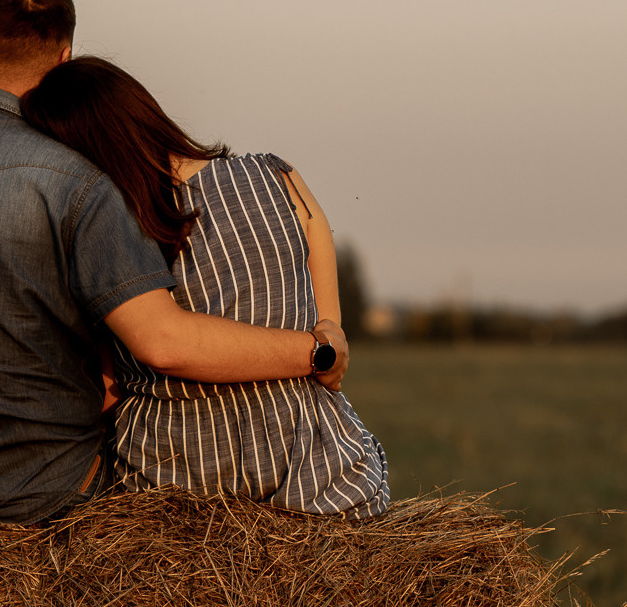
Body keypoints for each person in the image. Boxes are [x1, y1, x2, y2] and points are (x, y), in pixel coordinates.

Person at [0, 0, 347, 544]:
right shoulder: (81, 182)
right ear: (65, 57)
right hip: (44, 501)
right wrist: (317, 349)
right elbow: (162, 342)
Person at [20, 58, 388, 518]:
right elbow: (316, 230)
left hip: (178, 486)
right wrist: (328, 332)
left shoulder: (107, 228)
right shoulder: (276, 175)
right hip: (316, 475)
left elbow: (114, 385)